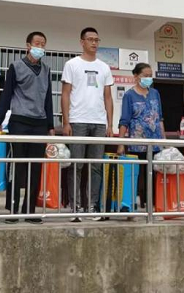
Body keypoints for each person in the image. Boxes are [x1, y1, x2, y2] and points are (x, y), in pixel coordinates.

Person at [0, 31, 55, 224]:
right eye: (37, 43)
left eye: (43, 44)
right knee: (17, 166)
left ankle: (30, 210)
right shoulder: (16, 66)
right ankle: (13, 209)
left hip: (39, 123)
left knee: (35, 167)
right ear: (28, 45)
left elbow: (48, 98)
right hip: (19, 121)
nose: (40, 47)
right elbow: (6, 95)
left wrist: (51, 125)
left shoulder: (46, 70)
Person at [61, 27, 114, 222]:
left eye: (96, 40)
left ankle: (92, 205)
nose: (94, 43)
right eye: (90, 39)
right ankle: (75, 207)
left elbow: (108, 97)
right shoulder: (72, 64)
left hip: (99, 123)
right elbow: (65, 94)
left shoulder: (104, 67)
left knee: (96, 166)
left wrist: (110, 124)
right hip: (78, 121)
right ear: (82, 42)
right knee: (76, 165)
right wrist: (66, 121)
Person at [117, 62, 165, 212]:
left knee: (154, 174)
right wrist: (120, 143)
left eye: (150, 76)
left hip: (155, 142)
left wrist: (164, 141)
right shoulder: (129, 95)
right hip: (137, 143)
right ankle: (132, 205)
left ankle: (154, 206)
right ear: (136, 76)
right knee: (137, 175)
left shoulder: (155, 93)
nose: (148, 78)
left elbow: (160, 118)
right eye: (145, 75)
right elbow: (124, 121)